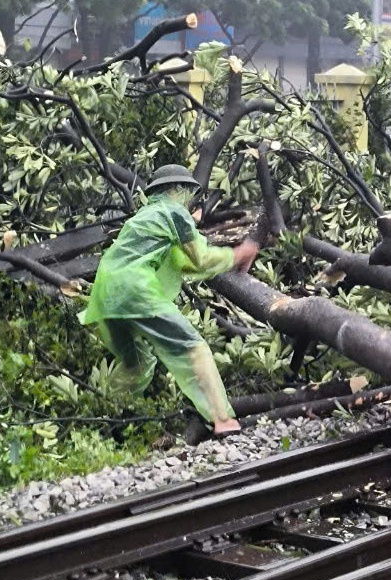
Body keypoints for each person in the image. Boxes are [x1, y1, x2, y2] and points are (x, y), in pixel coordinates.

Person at [80, 164, 259, 437]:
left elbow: (180, 264)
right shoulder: (173, 212)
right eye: (187, 192)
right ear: (178, 190)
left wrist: (224, 261)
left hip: (104, 296)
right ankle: (222, 420)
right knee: (193, 348)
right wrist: (238, 254)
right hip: (134, 289)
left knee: (137, 364)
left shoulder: (145, 217)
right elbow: (200, 258)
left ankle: (105, 425)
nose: (189, 199)